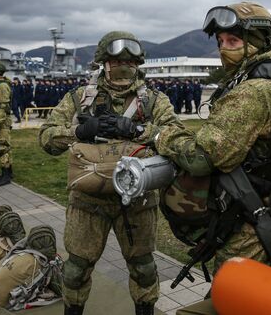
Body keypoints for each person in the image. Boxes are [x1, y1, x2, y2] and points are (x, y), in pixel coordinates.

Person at [155, 2, 271, 275]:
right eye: (220, 41)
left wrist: (163, 135)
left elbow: (203, 158)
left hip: (252, 224)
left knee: (234, 296)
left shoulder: (254, 91)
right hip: (264, 211)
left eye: (234, 39)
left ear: (258, 41)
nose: (224, 48)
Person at [39, 31, 182, 315]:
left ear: (138, 63)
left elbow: (177, 137)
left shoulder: (153, 100)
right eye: (116, 59)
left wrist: (139, 130)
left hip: (138, 202)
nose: (123, 65)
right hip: (88, 202)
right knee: (76, 270)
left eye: (129, 60)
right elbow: (46, 138)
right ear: (103, 62)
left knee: (143, 269)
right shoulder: (80, 98)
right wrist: (79, 131)